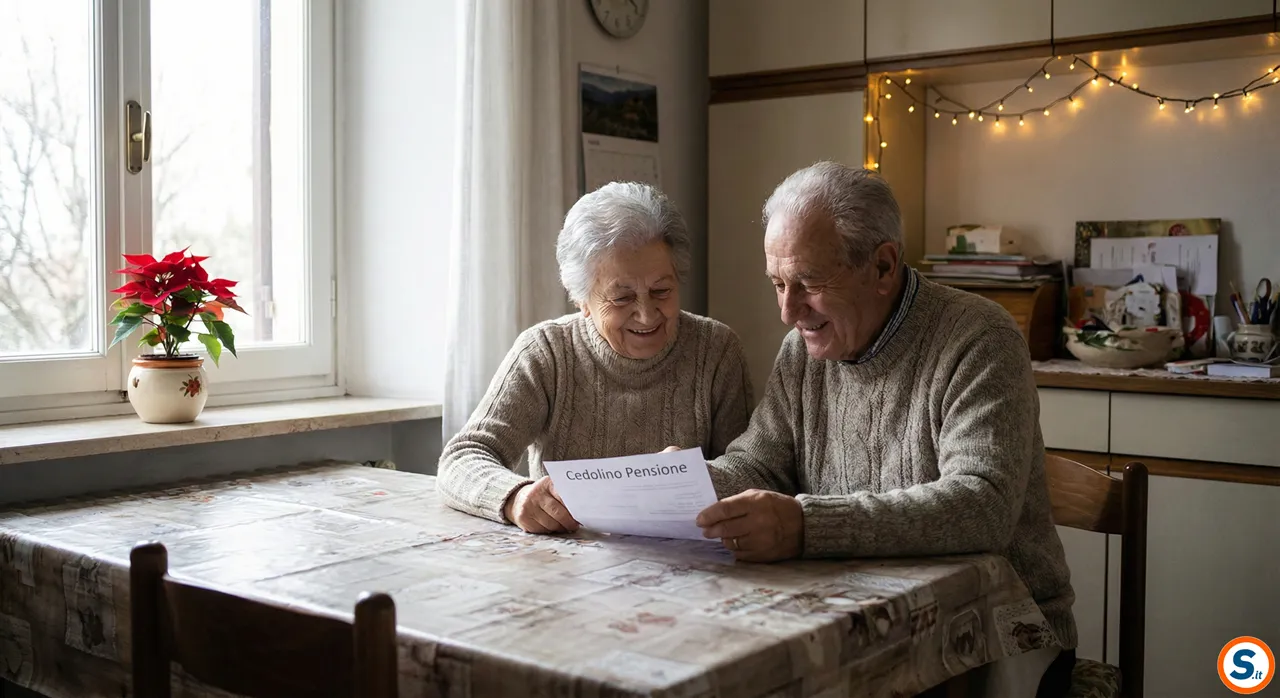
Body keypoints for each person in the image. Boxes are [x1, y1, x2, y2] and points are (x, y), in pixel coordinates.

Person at [695, 162, 1077, 697]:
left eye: (808, 283)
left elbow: (981, 505)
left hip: (1001, 634)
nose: (788, 311)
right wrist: (686, 485)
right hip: (856, 621)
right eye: (778, 284)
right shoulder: (802, 351)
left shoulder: (978, 337)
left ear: (882, 266)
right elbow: (759, 463)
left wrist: (805, 526)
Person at [438, 181, 753, 535]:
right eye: (622, 298)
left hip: (686, 557)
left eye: (661, 291)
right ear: (582, 300)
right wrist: (515, 497)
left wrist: (698, 477)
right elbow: (462, 457)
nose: (647, 314)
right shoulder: (546, 353)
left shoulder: (715, 351)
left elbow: (753, 472)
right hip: (566, 555)